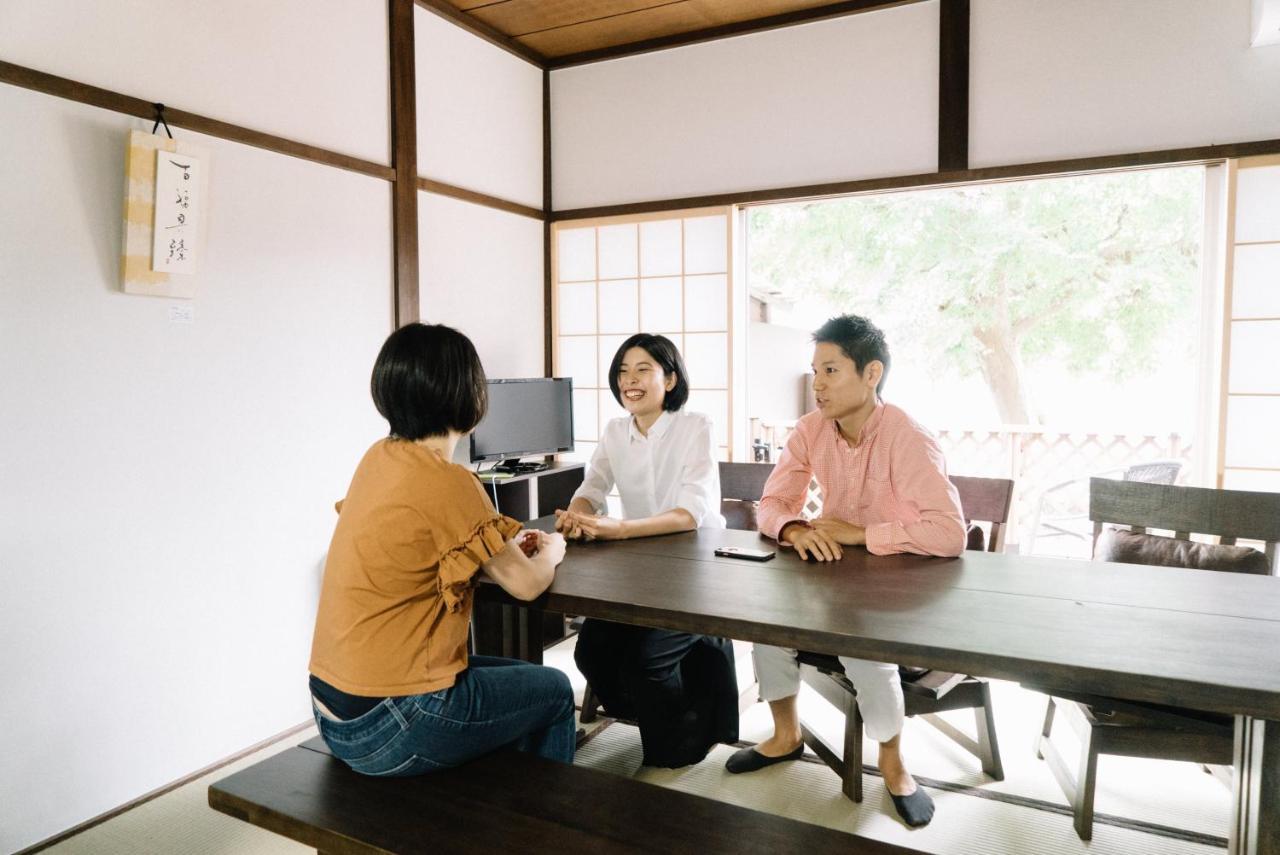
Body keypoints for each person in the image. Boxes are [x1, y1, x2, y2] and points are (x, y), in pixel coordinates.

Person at [723, 314, 965, 829]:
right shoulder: (811, 430)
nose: (818, 384)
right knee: (767, 629)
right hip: (833, 581)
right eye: (815, 371)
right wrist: (793, 529)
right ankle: (785, 736)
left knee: (864, 652)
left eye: (831, 370)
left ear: (871, 373)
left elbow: (949, 534)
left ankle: (894, 763)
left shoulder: (908, 436)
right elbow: (771, 503)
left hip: (901, 591)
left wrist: (861, 533)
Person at [308, 322, 575, 777]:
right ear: (468, 398)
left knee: (510, 676)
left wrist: (501, 549)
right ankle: (539, 829)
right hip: (393, 724)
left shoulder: (379, 457)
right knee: (553, 689)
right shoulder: (449, 481)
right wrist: (553, 550)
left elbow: (425, 550)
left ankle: (489, 809)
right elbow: (528, 585)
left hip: (331, 710)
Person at [555, 333, 738, 767]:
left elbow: (690, 514)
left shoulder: (696, 426)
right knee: (590, 652)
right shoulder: (616, 431)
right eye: (622, 371)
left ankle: (673, 751)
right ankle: (663, 715)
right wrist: (576, 515)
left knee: (645, 662)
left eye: (642, 370)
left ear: (670, 379)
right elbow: (592, 487)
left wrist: (616, 530)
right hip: (640, 568)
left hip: (699, 568)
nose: (629, 380)